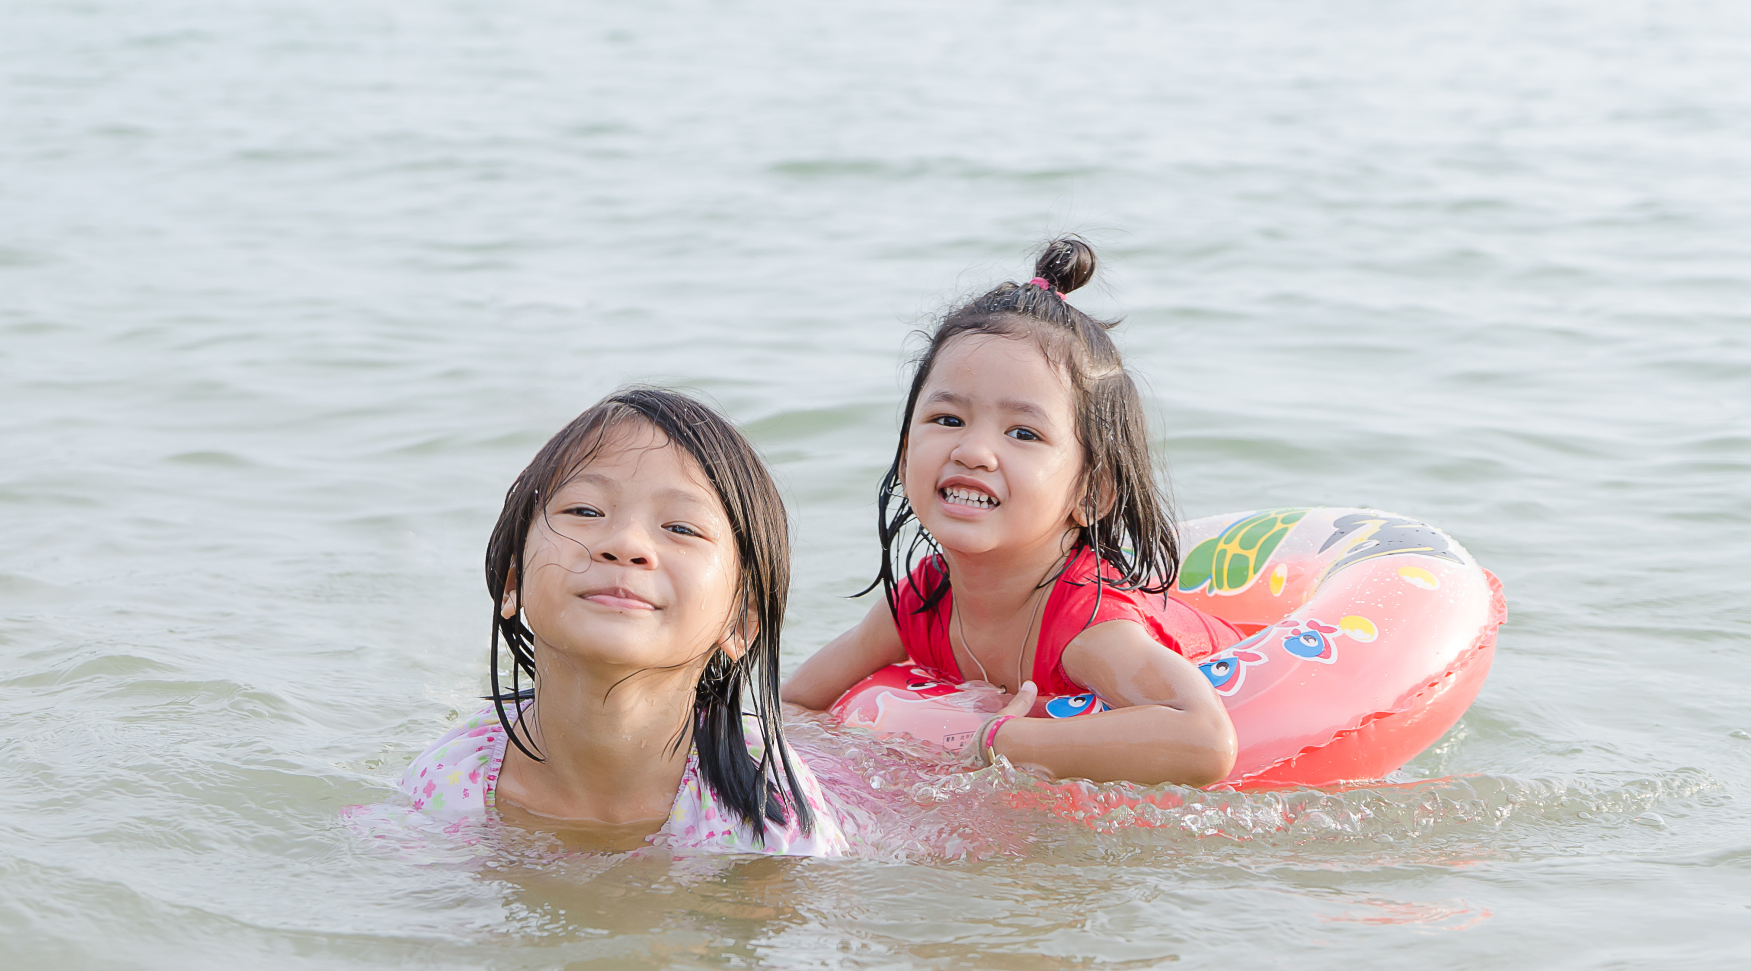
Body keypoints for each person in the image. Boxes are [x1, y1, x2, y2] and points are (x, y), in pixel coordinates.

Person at [783, 237, 1243, 789]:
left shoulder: (1089, 632)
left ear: (1090, 494)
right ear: (906, 456)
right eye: (948, 419)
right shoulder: (918, 605)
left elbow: (1205, 742)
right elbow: (796, 703)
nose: (973, 451)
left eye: (1023, 432)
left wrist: (1001, 742)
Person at [403, 387, 848, 855]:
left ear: (740, 623)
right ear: (513, 580)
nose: (626, 542)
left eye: (680, 528)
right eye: (585, 510)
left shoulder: (769, 816)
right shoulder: (452, 781)